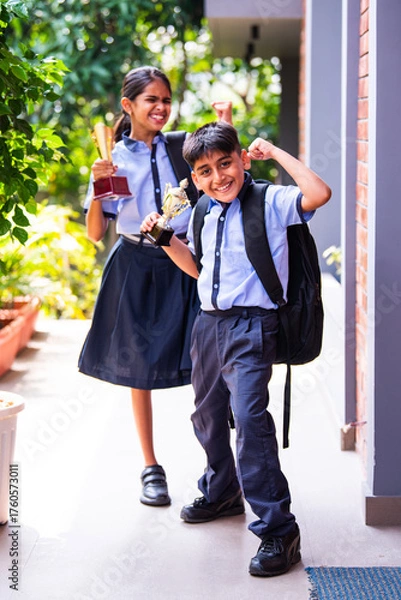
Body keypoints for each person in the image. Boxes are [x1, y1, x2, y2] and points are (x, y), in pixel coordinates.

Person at [141, 121, 331, 576]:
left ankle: (279, 531)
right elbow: (198, 268)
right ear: (196, 177)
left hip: (253, 328)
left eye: (226, 163)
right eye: (204, 171)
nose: (217, 176)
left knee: (248, 419)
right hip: (209, 326)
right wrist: (166, 239)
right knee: (206, 415)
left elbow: (319, 193)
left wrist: (276, 152)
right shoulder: (203, 210)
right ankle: (223, 490)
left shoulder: (271, 202)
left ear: (243, 159)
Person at [78, 66, 232, 508]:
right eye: (152, 100)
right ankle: (151, 466)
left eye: (166, 99)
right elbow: (94, 233)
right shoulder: (112, 158)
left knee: (208, 361)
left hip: (182, 260)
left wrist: (225, 123)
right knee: (138, 367)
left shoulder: (181, 146)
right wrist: (96, 185)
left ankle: (219, 468)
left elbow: (220, 171)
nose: (162, 108)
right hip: (135, 265)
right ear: (129, 107)